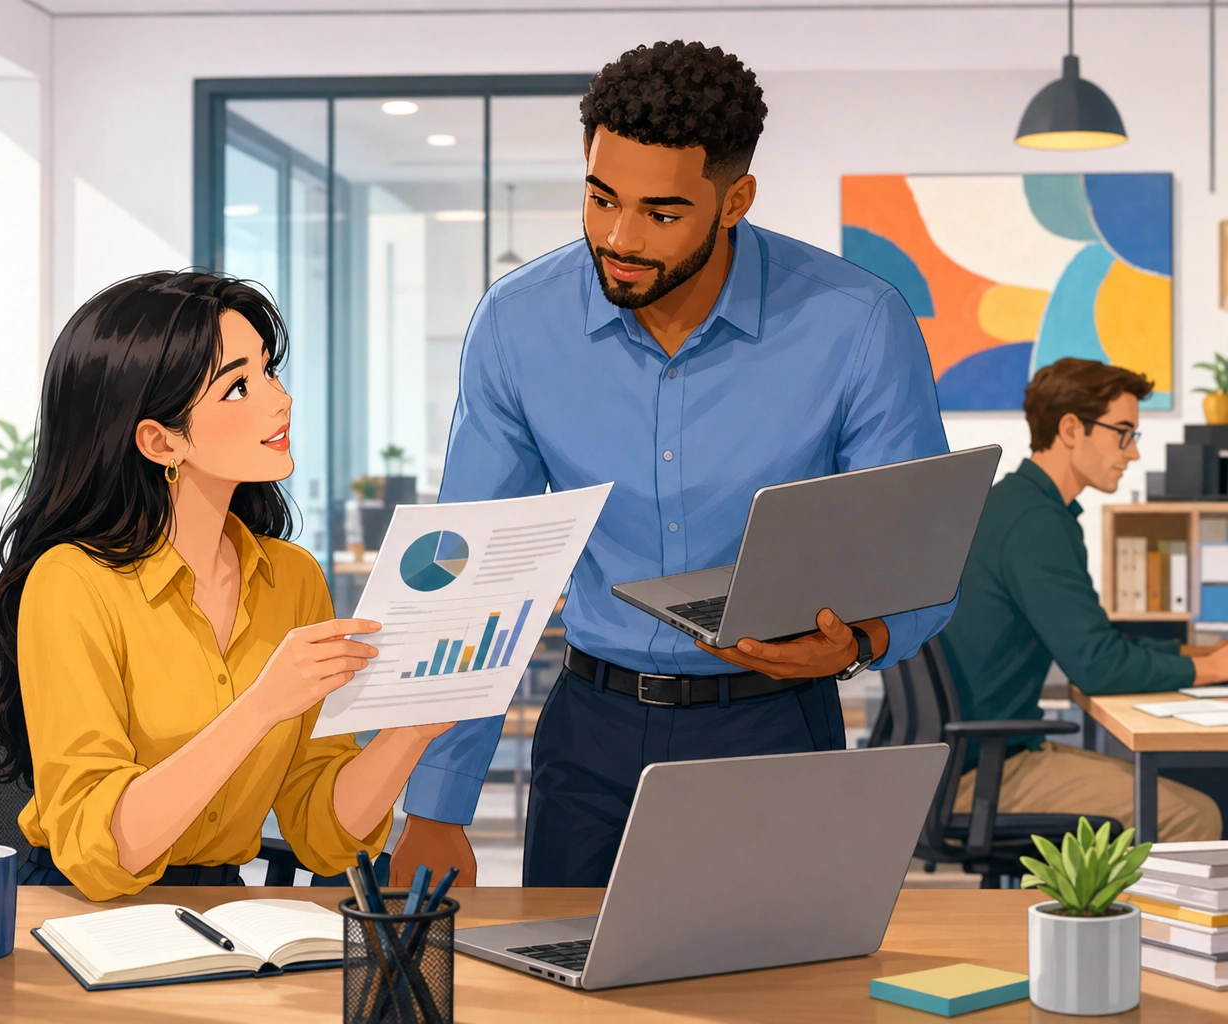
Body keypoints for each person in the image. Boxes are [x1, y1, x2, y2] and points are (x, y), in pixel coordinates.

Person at [389, 40, 954, 888]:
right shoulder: (516, 324)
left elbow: (921, 555)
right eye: (599, 197)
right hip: (590, 731)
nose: (617, 238)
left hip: (774, 728)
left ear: (735, 200)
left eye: (659, 213)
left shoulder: (857, 323)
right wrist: (435, 805)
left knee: (778, 1000)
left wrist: (857, 644)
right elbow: (474, 576)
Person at [0, 271, 451, 901]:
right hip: (80, 908)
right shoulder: (72, 582)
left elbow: (322, 833)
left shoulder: (292, 578)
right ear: (160, 440)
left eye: (269, 371)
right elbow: (103, 852)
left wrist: (410, 731)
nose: (279, 401)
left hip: (227, 907)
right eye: (237, 388)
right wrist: (260, 705)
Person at [941, 358, 1226, 842]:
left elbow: (1094, 642)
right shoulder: (1037, 524)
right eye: (1123, 433)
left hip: (972, 757)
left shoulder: (1013, 504)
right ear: (1071, 429)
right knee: (1194, 815)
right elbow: (1099, 666)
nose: (1132, 453)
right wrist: (1214, 671)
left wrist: (1197, 655)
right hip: (982, 773)